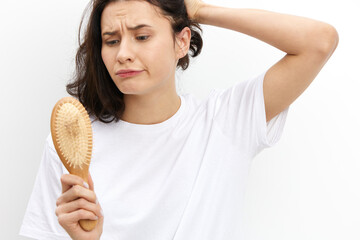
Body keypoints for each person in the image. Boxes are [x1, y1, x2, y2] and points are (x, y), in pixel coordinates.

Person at [19, 0, 338, 239]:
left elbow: (319, 42)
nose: (123, 54)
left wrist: (197, 10)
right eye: (111, 40)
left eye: (141, 36)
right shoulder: (74, 142)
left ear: (181, 41)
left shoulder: (225, 122)